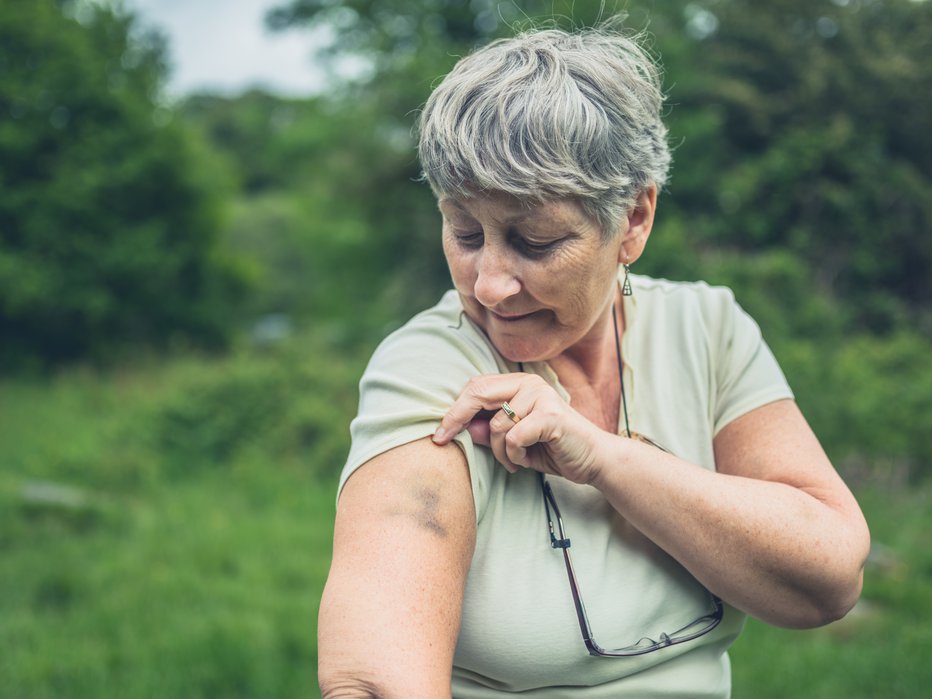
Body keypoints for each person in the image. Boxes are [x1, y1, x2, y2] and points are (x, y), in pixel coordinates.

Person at [317, 22, 870, 698]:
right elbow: (373, 679)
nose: (488, 281)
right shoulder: (429, 370)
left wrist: (605, 459)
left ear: (634, 219)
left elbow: (829, 578)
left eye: (535, 240)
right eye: (464, 231)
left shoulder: (706, 326)